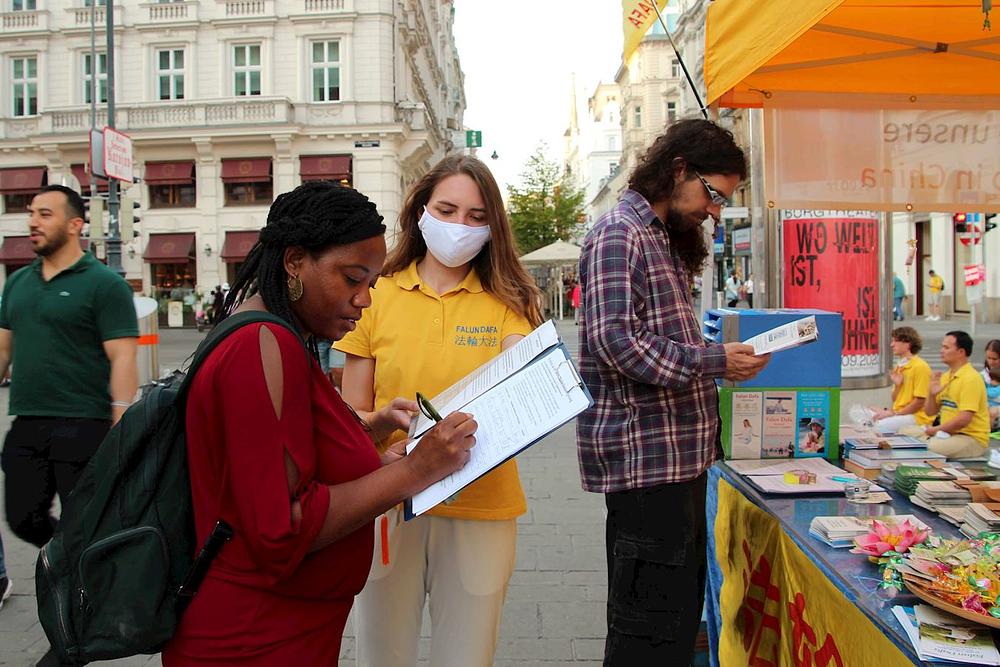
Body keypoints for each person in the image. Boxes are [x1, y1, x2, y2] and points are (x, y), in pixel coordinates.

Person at [162, 181, 478, 665]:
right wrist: (417, 471)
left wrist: (371, 436)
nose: (364, 300)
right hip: (257, 636)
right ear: (294, 261)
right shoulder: (262, 346)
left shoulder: (278, 334)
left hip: (286, 625)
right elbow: (280, 528)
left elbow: (279, 454)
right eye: (352, 278)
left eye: (371, 284)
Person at [336, 155, 542, 667]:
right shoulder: (375, 294)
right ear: (420, 211)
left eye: (476, 217)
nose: (459, 227)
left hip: (481, 504)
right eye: (447, 209)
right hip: (388, 502)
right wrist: (384, 425)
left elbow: (523, 396)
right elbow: (349, 417)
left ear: (493, 226)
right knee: (381, 656)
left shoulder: (511, 301)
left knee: (467, 658)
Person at [577, 118, 769, 665]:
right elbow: (615, 341)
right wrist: (714, 362)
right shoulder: (621, 232)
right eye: (712, 194)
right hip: (646, 470)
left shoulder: (660, 236)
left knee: (673, 622)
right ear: (678, 169)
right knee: (648, 630)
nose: (714, 210)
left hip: (675, 463)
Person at [0, 184, 138, 553]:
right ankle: (70, 559)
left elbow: (123, 355)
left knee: (87, 520)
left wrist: (120, 419)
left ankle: (87, 584)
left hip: (84, 423)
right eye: (30, 213)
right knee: (22, 517)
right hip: (27, 421)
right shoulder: (17, 284)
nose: (32, 222)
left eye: (44, 214)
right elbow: (3, 350)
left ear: (75, 224)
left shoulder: (105, 284)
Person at [901, 330, 990, 459]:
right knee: (903, 432)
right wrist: (931, 394)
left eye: (946, 347)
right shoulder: (946, 376)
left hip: (970, 438)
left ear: (961, 352)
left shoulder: (971, 378)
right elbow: (930, 412)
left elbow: (963, 420)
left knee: (927, 447)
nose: (942, 351)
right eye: (942, 347)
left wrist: (935, 430)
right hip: (947, 434)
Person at [871, 326, 932, 434]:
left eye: (896, 341)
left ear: (908, 344)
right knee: (865, 415)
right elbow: (895, 399)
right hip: (901, 413)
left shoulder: (920, 366)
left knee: (878, 426)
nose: (892, 345)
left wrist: (893, 414)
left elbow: (919, 402)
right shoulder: (900, 366)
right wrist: (898, 386)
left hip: (917, 416)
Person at [980, 339, 1000, 429]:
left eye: (995, 359)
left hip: (996, 408)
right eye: (989, 358)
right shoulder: (983, 374)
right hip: (987, 405)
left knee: (992, 412)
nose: (991, 362)